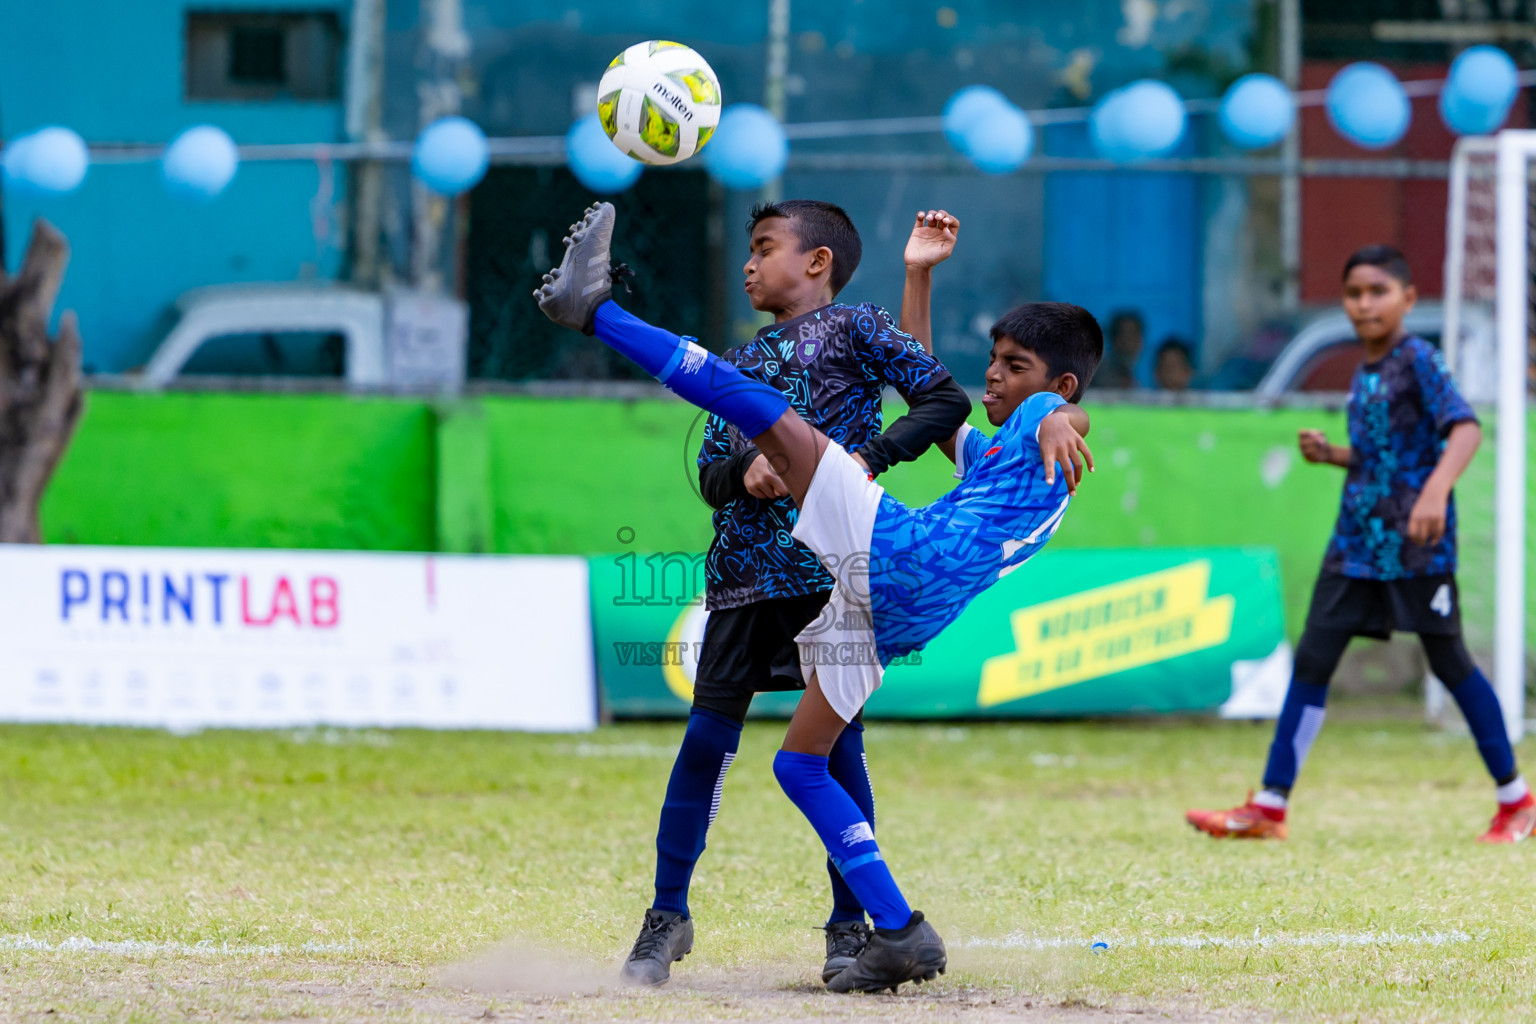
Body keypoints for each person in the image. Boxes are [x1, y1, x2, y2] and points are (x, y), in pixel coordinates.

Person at [534, 202, 1100, 992]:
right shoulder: (999, 459)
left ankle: (594, 310)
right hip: (895, 610)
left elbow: (1047, 406)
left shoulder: (1047, 421)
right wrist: (919, 278)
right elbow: (935, 403)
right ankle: (899, 930)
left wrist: (1060, 417)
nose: (996, 377)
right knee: (798, 762)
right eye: (997, 363)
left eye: (1013, 366)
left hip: (895, 556)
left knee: (766, 412)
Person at [627, 202, 972, 988]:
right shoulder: (733, 363)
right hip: (744, 581)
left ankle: (851, 929)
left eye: (763, 249)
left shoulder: (857, 327)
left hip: (830, 580)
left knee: (836, 750)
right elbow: (713, 478)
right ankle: (665, 918)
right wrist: (742, 474)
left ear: (817, 262)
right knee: (705, 746)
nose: (748, 265)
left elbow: (943, 400)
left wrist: (863, 459)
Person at [1186, 244, 1535, 844]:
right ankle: (1269, 807)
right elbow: (1383, 455)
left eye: (1378, 291)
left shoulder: (1419, 359)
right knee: (1314, 663)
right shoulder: (1365, 372)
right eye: (1354, 293)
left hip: (1416, 548)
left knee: (1452, 666)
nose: (1364, 303)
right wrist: (1334, 456)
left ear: (1407, 299)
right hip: (1353, 547)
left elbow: (1466, 429)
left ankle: (1517, 802)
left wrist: (1434, 493)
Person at [1094, 309, 1144, 388]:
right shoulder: (1101, 375)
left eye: (1135, 335)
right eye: (1125, 335)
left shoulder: (1132, 377)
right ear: (1113, 339)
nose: (1129, 343)